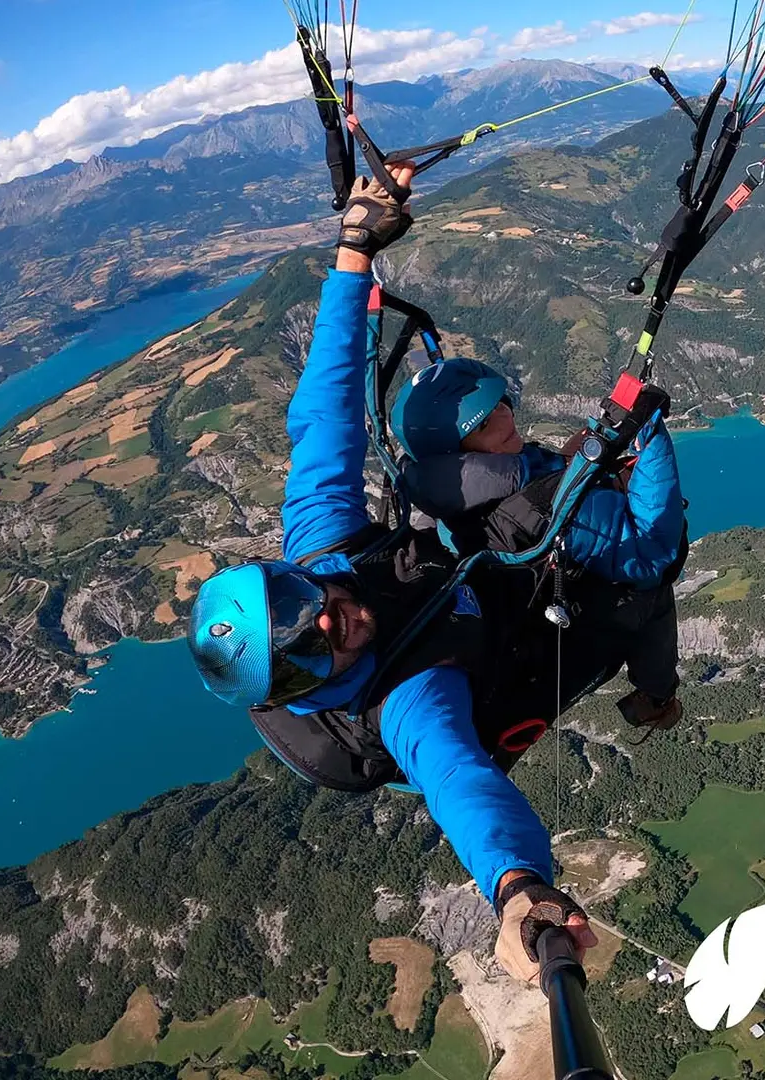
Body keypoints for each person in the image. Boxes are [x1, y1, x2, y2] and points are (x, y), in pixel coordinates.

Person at [185, 165, 670, 982]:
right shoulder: (407, 704)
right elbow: (462, 787)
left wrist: (352, 251)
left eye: (303, 602)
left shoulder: (323, 545)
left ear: (289, 574)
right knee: (644, 590)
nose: (332, 619)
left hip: (457, 584)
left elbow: (325, 411)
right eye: (310, 652)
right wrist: (520, 893)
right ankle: (657, 699)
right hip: (494, 665)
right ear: (302, 691)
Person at [385, 356, 686, 731]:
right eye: (483, 423)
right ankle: (657, 697)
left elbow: (527, 496)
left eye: (500, 405)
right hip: (574, 631)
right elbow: (654, 553)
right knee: (654, 591)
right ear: (460, 451)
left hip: (526, 612)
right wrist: (652, 432)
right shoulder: (540, 503)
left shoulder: (446, 491)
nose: (504, 419)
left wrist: (566, 460)